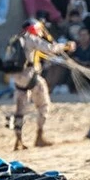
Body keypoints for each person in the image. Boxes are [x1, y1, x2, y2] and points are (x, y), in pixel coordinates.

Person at [10, 19, 75, 151]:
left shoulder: (15, 39)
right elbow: (51, 48)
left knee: (19, 109)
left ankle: (18, 140)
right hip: (31, 77)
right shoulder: (31, 39)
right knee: (43, 104)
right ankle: (39, 136)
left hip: (17, 79)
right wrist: (67, 46)